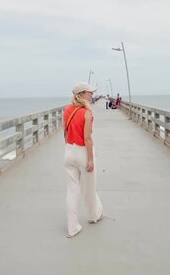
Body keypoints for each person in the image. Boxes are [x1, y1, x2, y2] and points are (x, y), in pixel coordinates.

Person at [63, 82, 105, 238]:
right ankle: (94, 216)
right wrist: (90, 160)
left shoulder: (67, 110)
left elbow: (65, 133)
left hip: (69, 151)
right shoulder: (87, 112)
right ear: (81, 94)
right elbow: (87, 138)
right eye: (89, 92)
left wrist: (68, 149)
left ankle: (72, 228)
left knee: (72, 190)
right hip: (83, 152)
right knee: (89, 188)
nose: (92, 94)